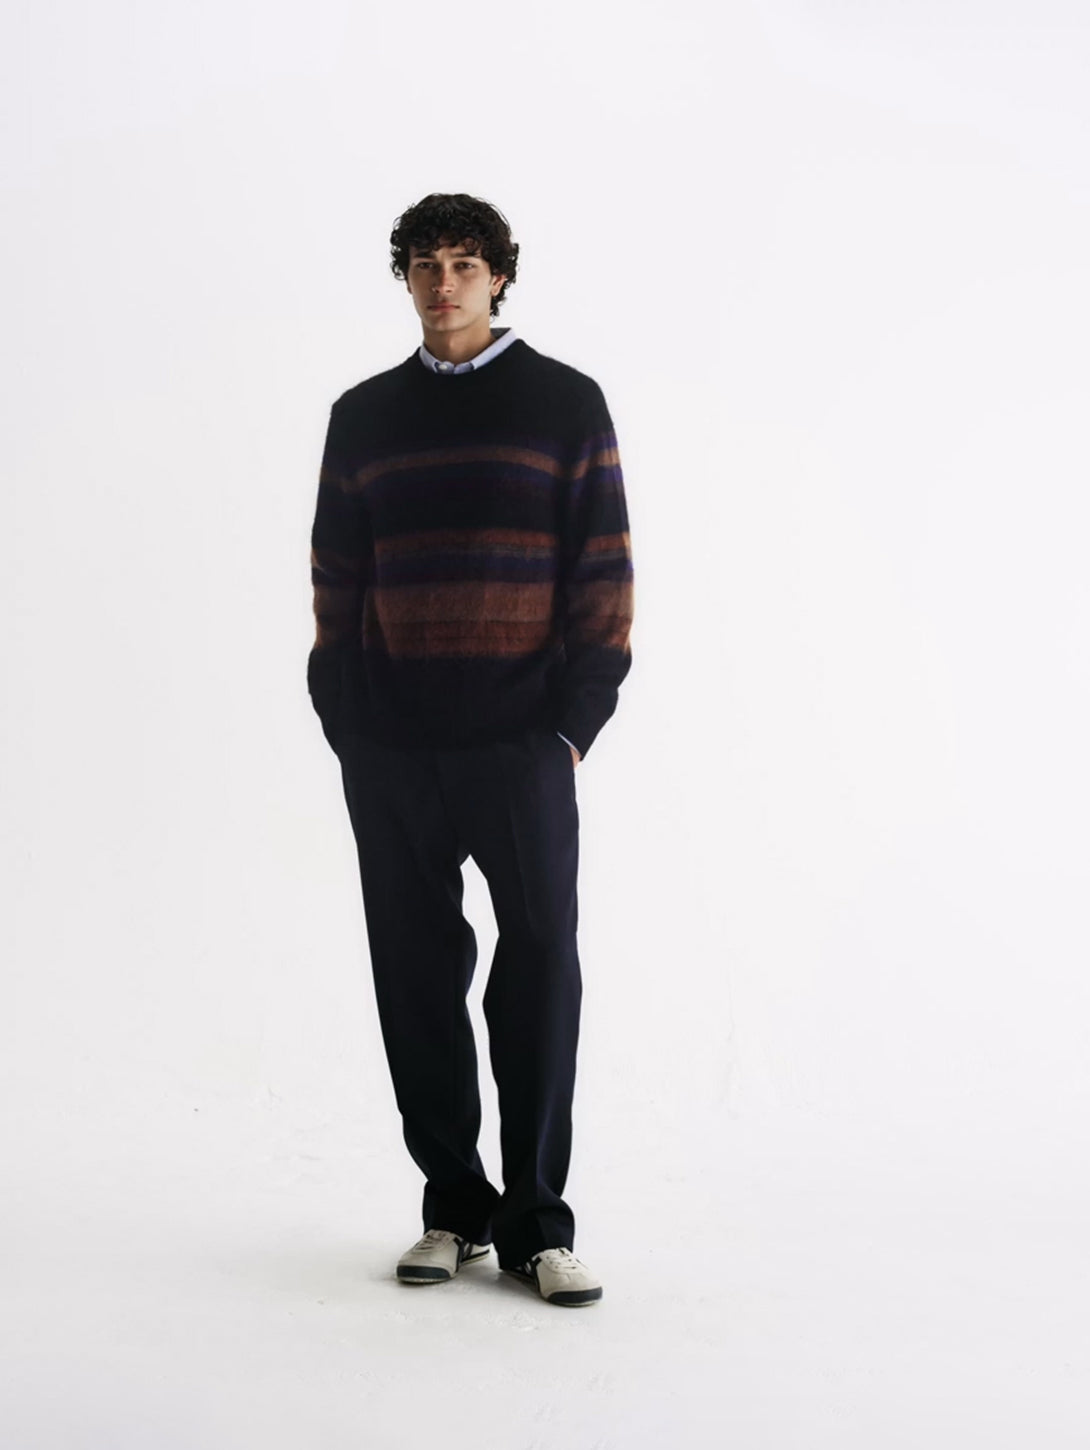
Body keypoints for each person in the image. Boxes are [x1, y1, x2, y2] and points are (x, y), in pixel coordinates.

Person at [306, 192, 634, 1308]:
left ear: (499, 275)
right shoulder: (363, 416)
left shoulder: (564, 403)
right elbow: (335, 579)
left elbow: (602, 573)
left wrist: (571, 728)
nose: (442, 283)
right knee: (414, 973)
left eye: (464, 262)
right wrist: (346, 718)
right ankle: (454, 1206)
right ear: (403, 277)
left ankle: (538, 1221)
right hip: (392, 747)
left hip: (521, 742)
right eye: (423, 263)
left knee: (539, 967)